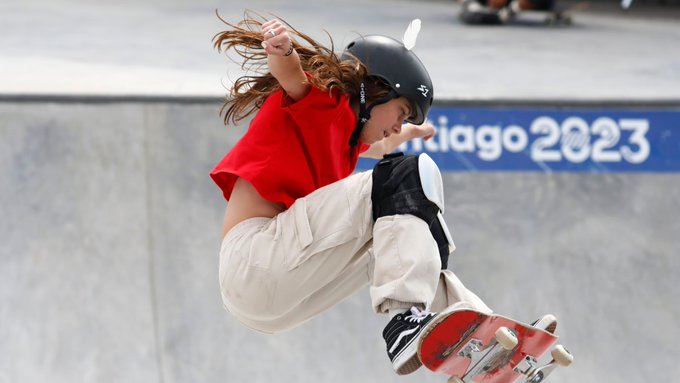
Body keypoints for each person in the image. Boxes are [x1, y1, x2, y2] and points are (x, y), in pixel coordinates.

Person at [210, 13, 492, 375]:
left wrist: (401, 136)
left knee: (409, 230)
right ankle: (405, 321)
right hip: (254, 260)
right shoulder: (324, 103)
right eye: (401, 112)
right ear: (375, 90)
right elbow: (293, 77)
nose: (398, 124)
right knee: (406, 176)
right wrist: (281, 50)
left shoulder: (343, 141)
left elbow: (377, 144)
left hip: (279, 297)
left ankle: (479, 334)